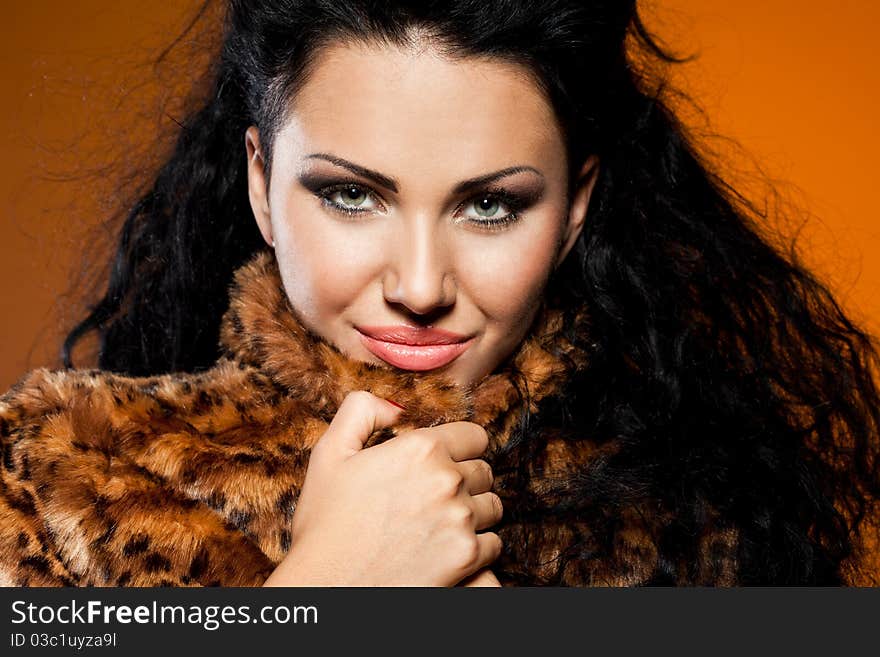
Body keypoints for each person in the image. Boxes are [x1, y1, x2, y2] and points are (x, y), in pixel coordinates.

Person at [1, 0, 878, 587]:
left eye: (491, 204)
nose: (420, 286)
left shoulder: (704, 527)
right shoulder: (58, 478)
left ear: (574, 207)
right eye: (352, 194)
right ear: (261, 184)